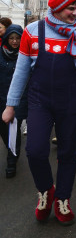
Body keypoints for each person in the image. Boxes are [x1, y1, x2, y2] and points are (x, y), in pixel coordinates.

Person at [2, 0, 76, 225]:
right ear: (56, 7)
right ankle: (46, 190)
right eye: (70, 7)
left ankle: (63, 198)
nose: (74, 12)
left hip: (70, 100)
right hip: (40, 101)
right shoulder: (32, 31)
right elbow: (21, 72)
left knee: (68, 152)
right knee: (35, 150)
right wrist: (11, 105)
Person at [0, 24, 27, 178]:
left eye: (18, 38)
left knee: (13, 131)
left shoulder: (24, 55)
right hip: (0, 98)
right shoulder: (0, 54)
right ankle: (11, 150)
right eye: (11, 38)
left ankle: (11, 162)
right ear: (6, 39)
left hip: (17, 100)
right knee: (4, 131)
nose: (15, 41)